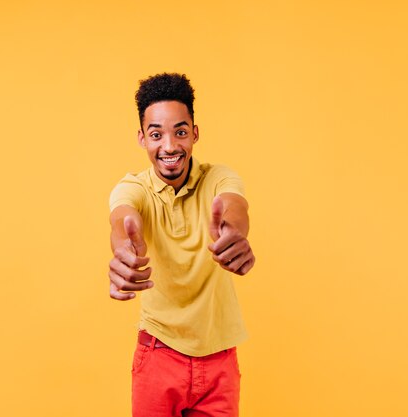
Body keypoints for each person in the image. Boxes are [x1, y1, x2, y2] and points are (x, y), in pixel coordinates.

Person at [108, 73, 255, 417]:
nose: (170, 146)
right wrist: (123, 251)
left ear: (195, 132)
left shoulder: (219, 177)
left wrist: (234, 232)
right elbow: (121, 219)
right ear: (142, 139)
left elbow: (235, 204)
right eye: (157, 134)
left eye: (181, 131)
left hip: (219, 361)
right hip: (159, 355)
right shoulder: (133, 189)